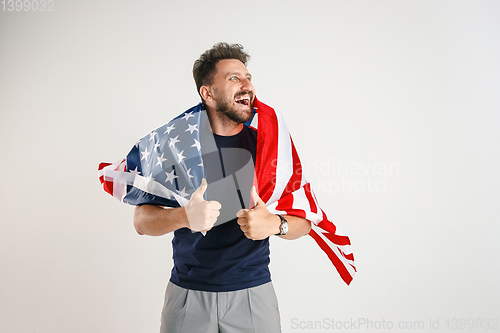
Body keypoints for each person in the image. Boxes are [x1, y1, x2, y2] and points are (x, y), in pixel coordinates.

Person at [133, 43, 311, 333]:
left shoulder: (270, 145)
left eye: (248, 77)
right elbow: (141, 222)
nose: (247, 85)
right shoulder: (177, 146)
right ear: (208, 93)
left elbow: (306, 221)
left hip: (254, 296)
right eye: (234, 78)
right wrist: (183, 216)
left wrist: (274, 224)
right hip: (188, 296)